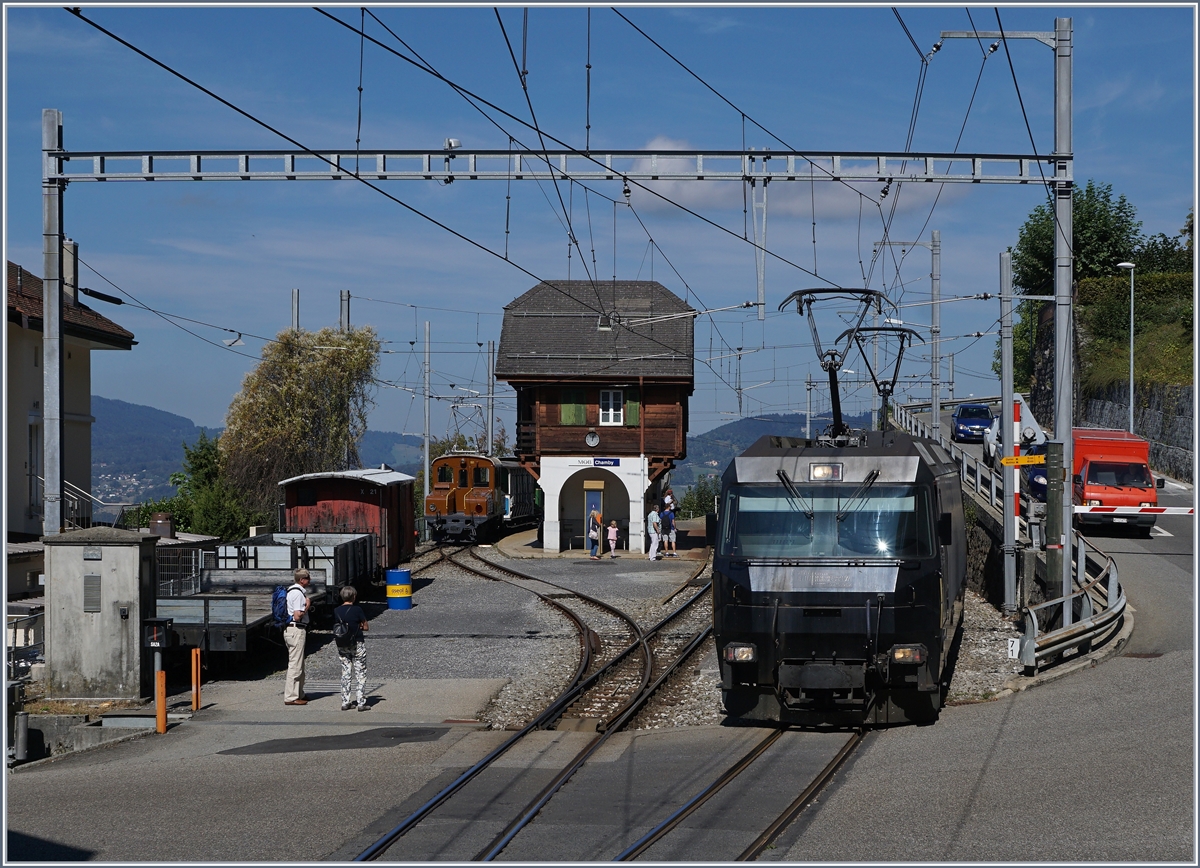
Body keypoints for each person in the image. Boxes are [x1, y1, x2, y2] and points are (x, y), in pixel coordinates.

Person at [333, 585, 370, 711]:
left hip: (342, 644)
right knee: (360, 673)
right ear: (354, 596)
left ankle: (345, 702)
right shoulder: (357, 610)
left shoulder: (336, 610)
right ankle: (361, 702)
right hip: (357, 643)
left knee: (346, 672)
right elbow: (366, 627)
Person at [283, 568, 312, 706]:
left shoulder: (291, 591)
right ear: (302, 580)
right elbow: (297, 615)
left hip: (291, 630)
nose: (309, 581)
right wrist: (307, 606)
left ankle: (299, 693)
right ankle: (291, 696)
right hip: (296, 629)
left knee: (298, 663)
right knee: (295, 664)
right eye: (308, 578)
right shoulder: (298, 594)